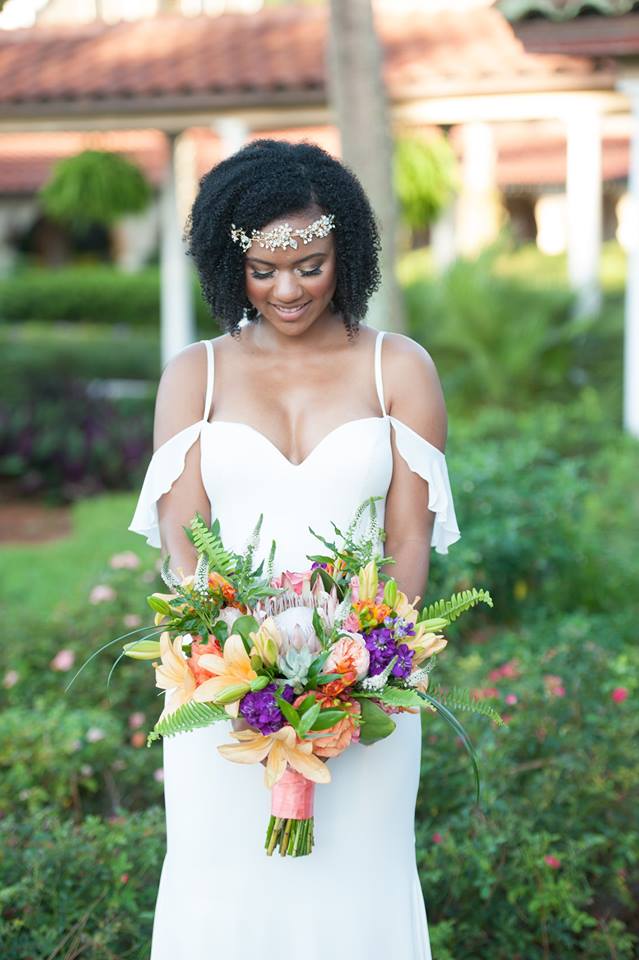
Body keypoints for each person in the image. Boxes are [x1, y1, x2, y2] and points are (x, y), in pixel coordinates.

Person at [128, 138, 461, 960]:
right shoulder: (194, 375)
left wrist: (376, 660)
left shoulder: (398, 369)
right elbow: (181, 536)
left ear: (343, 251)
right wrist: (234, 651)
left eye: (309, 266)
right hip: (222, 691)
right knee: (222, 889)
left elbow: (408, 534)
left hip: (368, 694)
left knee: (358, 886)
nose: (287, 290)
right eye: (264, 269)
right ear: (227, 262)